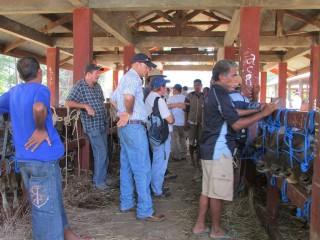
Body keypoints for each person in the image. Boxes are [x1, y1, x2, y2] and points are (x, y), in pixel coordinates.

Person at [0, 56, 90, 240]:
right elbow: (40, 108)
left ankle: (67, 234)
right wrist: (40, 129)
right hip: (42, 158)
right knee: (44, 209)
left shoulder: (13, 92)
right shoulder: (40, 89)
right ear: (39, 72)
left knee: (51, 199)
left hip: (25, 158)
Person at [192, 59, 278, 238]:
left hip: (209, 148)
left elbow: (232, 112)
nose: (236, 78)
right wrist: (263, 114)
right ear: (222, 76)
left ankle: (200, 225)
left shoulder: (214, 93)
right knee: (217, 193)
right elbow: (237, 124)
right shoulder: (221, 94)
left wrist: (256, 109)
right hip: (218, 150)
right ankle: (216, 230)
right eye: (233, 75)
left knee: (207, 190)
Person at [110, 53, 166, 222]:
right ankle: (145, 210)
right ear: (137, 64)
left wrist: (122, 112)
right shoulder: (134, 78)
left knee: (126, 166)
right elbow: (128, 97)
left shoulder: (125, 78)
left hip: (126, 128)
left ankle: (126, 202)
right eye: (147, 66)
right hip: (134, 126)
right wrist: (127, 112)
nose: (148, 69)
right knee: (142, 168)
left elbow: (113, 99)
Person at [65, 64, 110, 192]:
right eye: (96, 73)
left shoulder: (97, 86)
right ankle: (98, 182)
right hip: (92, 126)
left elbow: (101, 102)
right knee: (101, 152)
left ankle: (103, 178)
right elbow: (67, 102)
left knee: (105, 151)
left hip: (102, 123)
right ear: (88, 74)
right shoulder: (80, 86)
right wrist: (85, 106)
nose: (98, 75)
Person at [145, 76, 174, 197]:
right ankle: (157, 190)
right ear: (161, 88)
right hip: (161, 135)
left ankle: (156, 186)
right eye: (165, 86)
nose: (166, 88)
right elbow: (170, 120)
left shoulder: (149, 98)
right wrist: (172, 116)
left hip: (152, 134)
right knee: (160, 162)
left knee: (156, 160)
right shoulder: (159, 100)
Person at [184, 79, 204, 168]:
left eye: (198, 85)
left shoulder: (204, 96)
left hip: (200, 123)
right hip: (191, 122)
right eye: (195, 85)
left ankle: (198, 159)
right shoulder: (189, 96)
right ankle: (192, 159)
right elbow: (185, 110)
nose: (196, 87)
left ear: (201, 85)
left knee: (200, 142)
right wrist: (185, 122)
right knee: (191, 142)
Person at [167, 84, 188, 161]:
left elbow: (168, 110)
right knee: (183, 138)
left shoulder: (171, 98)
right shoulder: (185, 98)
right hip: (183, 122)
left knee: (174, 139)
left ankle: (176, 155)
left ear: (175, 90)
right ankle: (183, 154)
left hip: (174, 122)